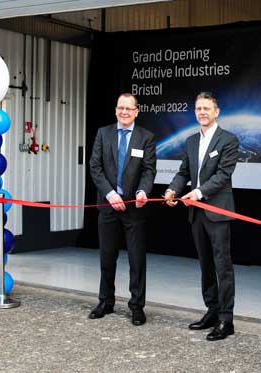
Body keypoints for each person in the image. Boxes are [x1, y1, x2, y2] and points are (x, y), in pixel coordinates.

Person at [164, 92, 239, 341]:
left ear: (217, 111)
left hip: (217, 212)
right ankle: (212, 311)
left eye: (207, 108)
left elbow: (223, 175)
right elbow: (184, 171)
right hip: (196, 213)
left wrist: (197, 192)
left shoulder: (228, 140)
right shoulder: (190, 141)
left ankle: (226, 320)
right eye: (198, 108)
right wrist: (172, 189)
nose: (202, 112)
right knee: (206, 265)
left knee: (222, 266)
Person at [88, 93, 156, 326]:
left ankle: (137, 306)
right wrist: (110, 194)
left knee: (137, 260)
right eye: (121, 108)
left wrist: (142, 192)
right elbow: (95, 167)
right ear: (116, 110)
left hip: (134, 209)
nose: (124, 112)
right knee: (107, 257)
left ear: (137, 111)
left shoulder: (146, 137)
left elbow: (148, 171)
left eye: (129, 108)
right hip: (108, 205)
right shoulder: (103, 133)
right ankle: (105, 301)